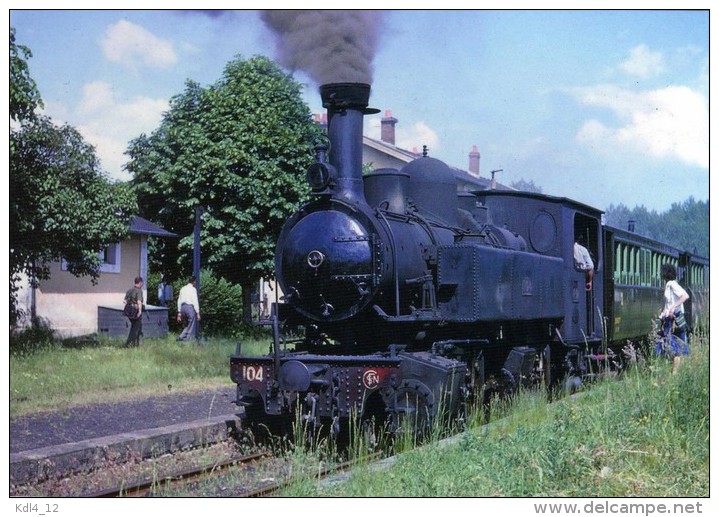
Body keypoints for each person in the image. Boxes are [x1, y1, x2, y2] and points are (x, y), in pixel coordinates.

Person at [658, 263, 690, 372]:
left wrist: (672, 307)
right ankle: (674, 371)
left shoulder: (672, 284)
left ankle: (674, 372)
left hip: (673, 319)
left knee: (672, 344)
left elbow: (685, 296)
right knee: (675, 344)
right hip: (668, 319)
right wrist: (663, 313)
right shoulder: (669, 284)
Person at [177, 275, 201, 341]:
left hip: (182, 308)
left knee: (187, 324)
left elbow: (179, 300)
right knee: (192, 323)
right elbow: (195, 301)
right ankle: (188, 339)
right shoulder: (193, 289)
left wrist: (179, 312)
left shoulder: (183, 288)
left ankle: (181, 337)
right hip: (189, 307)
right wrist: (198, 313)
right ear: (194, 281)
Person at [124, 276, 144, 347]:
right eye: (142, 283)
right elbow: (139, 302)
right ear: (140, 282)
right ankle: (129, 344)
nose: (143, 284)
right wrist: (140, 311)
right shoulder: (139, 291)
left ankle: (138, 344)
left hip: (128, 310)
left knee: (137, 327)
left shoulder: (130, 290)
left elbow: (124, 301)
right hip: (135, 310)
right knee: (135, 328)